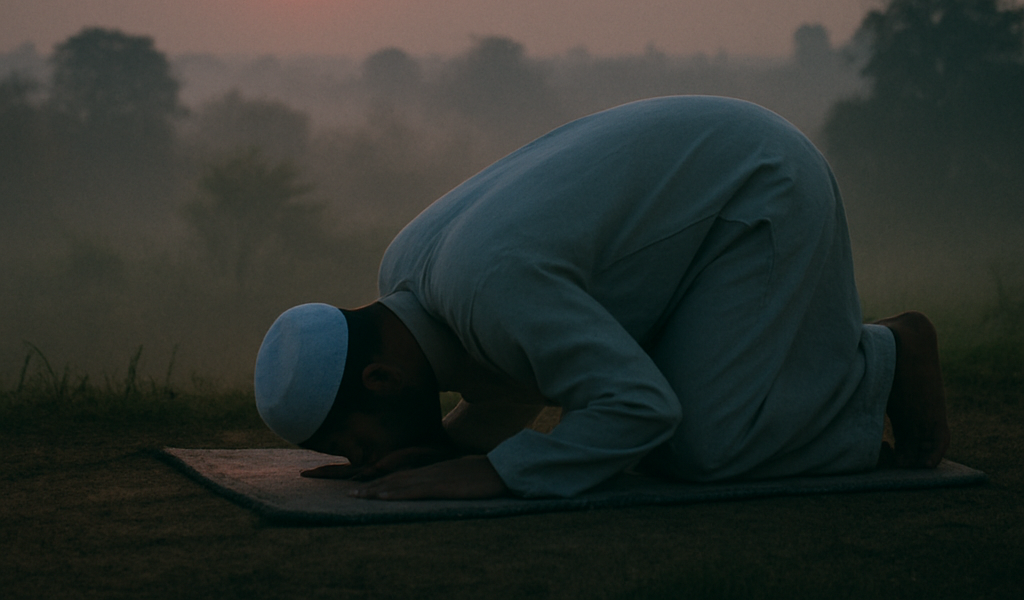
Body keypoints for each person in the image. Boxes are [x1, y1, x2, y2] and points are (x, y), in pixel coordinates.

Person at [254, 96, 949, 500]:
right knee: (671, 435)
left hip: (756, 193)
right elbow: (513, 380)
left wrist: (492, 475)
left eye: (351, 442)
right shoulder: (409, 274)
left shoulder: (489, 286)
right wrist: (451, 449)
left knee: (703, 452)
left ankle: (883, 360)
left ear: (379, 378)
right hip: (716, 190)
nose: (359, 462)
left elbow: (640, 409)